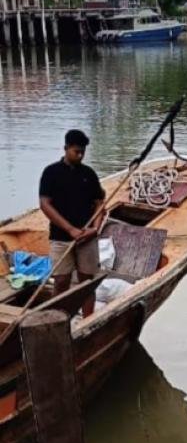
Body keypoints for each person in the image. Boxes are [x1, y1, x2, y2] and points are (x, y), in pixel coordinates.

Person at [39, 130, 106, 317]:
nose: (80, 155)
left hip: (87, 238)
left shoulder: (89, 174)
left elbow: (100, 202)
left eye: (83, 152)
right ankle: (56, 321)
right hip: (61, 238)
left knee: (86, 284)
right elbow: (45, 204)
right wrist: (70, 229)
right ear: (66, 148)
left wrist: (95, 229)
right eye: (76, 151)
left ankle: (87, 321)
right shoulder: (51, 173)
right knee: (61, 282)